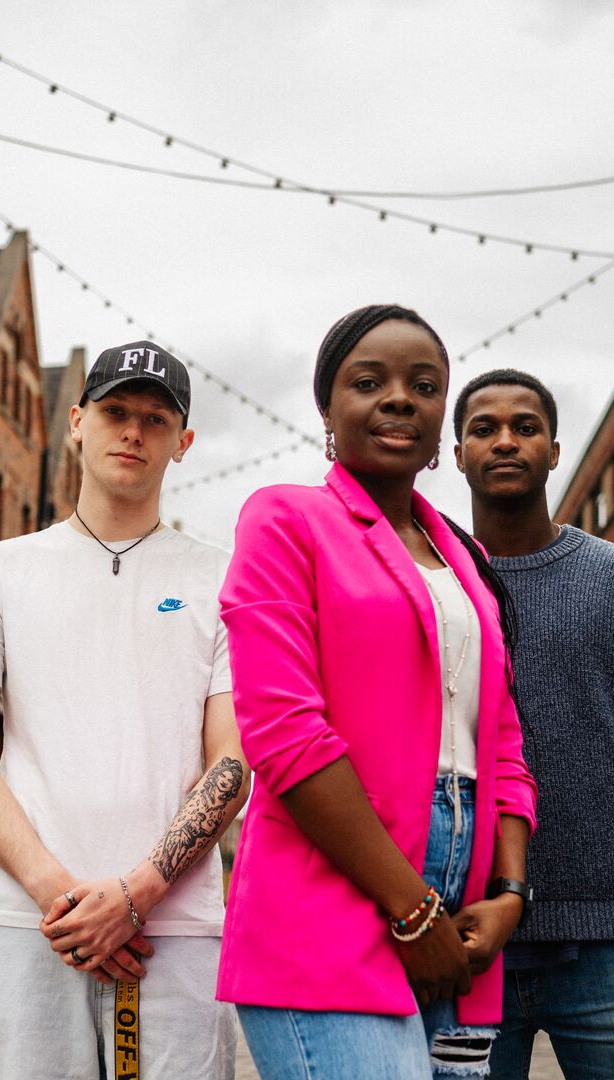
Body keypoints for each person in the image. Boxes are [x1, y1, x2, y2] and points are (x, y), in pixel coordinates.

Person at [219, 304, 537, 1080]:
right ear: (328, 408)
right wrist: (412, 908)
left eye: (423, 386)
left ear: (441, 424)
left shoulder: (465, 563)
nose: (400, 398)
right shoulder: (286, 521)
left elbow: (500, 739)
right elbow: (285, 736)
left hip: (463, 922)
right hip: (331, 907)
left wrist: (510, 890)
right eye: (370, 382)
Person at [0, 341, 248, 1080]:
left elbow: (231, 763)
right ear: (76, 421)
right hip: (25, 924)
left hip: (174, 935)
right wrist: (64, 900)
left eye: (155, 418)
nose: (132, 431)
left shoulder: (221, 578)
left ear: (183, 442)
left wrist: (136, 896)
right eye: (114, 412)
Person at [452, 369, 614, 1080]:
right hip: (465, 944)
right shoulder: (431, 588)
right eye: (484, 428)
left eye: (525, 426)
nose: (505, 440)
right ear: (456, 455)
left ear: (554, 449)